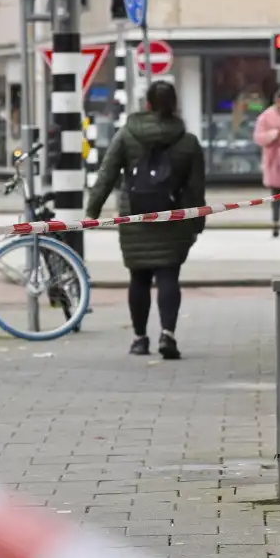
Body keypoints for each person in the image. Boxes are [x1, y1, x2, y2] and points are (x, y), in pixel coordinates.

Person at [86, 81, 206, 360]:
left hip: (135, 216)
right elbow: (196, 188)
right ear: (174, 105)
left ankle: (140, 339)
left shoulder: (127, 135)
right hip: (173, 217)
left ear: (148, 104)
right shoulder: (188, 143)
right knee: (168, 275)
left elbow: (107, 174)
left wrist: (92, 211)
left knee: (138, 277)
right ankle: (169, 334)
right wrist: (196, 223)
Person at [253, 90, 280, 237]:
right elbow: (258, 137)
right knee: (275, 197)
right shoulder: (266, 117)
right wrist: (273, 134)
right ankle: (275, 224)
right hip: (274, 162)